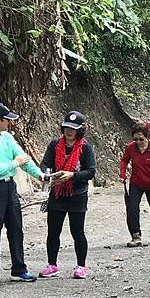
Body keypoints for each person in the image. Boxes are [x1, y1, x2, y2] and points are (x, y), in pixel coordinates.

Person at [0, 103, 44, 286]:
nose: (9, 123)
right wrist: (14, 163)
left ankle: (19, 269)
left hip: (9, 188)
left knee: (16, 228)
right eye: (7, 120)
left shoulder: (8, 138)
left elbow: (23, 159)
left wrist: (41, 175)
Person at [38, 111, 96, 279]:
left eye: (73, 128)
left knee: (77, 231)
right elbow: (46, 164)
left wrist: (72, 175)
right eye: (67, 127)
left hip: (77, 194)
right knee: (53, 231)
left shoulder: (85, 148)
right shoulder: (54, 145)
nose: (69, 131)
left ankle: (81, 265)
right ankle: (52, 265)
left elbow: (90, 171)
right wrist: (47, 176)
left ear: (80, 130)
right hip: (57, 193)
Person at [120, 123, 150, 246]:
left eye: (141, 139)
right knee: (132, 208)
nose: (138, 142)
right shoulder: (131, 148)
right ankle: (136, 235)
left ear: (146, 137)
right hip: (136, 183)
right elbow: (124, 160)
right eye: (135, 139)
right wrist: (123, 173)